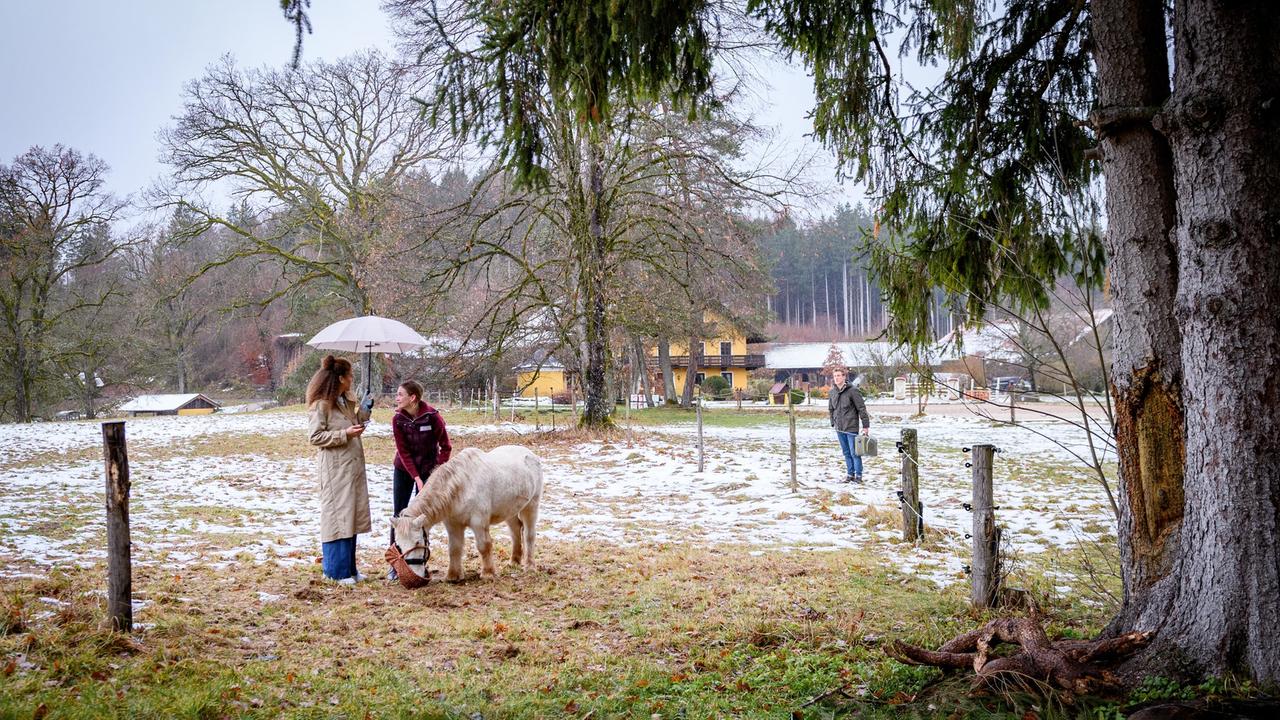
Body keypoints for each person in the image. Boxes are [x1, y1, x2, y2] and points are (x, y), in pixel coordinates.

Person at [306, 355, 374, 584]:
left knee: (351, 516)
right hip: (335, 471)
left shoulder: (343, 401)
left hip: (350, 467)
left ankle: (350, 569)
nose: (352, 380)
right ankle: (335, 571)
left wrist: (364, 410)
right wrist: (344, 435)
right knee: (337, 517)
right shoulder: (321, 404)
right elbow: (315, 436)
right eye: (350, 376)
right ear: (341, 378)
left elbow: (353, 423)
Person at [387, 380, 452, 581]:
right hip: (404, 470)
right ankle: (395, 562)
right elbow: (403, 452)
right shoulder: (398, 420)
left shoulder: (433, 417)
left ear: (412, 397)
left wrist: (434, 474)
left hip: (428, 471)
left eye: (400, 394)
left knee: (420, 516)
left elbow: (446, 446)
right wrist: (416, 478)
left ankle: (419, 558)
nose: (396, 398)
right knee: (399, 514)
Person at [828, 367, 871, 483]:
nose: (836, 378)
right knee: (846, 452)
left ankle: (858, 476)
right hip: (839, 428)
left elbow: (861, 409)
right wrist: (833, 422)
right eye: (835, 376)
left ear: (844, 377)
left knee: (854, 453)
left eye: (838, 375)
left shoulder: (853, 391)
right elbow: (831, 409)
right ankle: (850, 474)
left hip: (851, 427)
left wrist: (866, 426)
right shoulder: (832, 392)